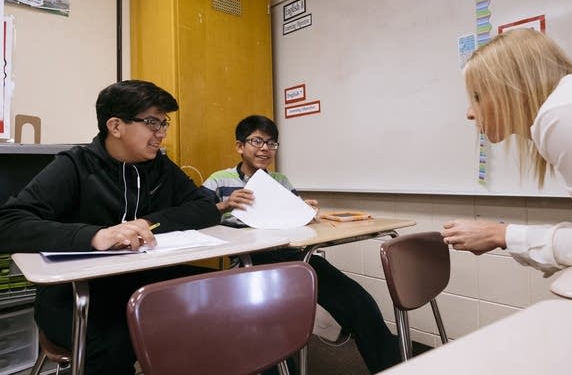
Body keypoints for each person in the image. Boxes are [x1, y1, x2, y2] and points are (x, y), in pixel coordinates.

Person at [0, 80, 221, 374]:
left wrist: (147, 223)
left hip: (145, 281)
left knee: (233, 296)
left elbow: (205, 208)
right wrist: (94, 235)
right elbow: (8, 223)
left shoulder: (160, 167)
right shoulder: (75, 165)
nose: (162, 133)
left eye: (164, 123)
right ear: (116, 126)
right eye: (152, 122)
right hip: (77, 291)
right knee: (112, 346)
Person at [200, 115, 401, 373]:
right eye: (257, 141)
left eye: (271, 143)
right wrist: (224, 205)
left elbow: (299, 221)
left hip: (293, 257)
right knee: (266, 326)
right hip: (250, 263)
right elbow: (196, 215)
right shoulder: (220, 179)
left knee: (359, 301)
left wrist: (306, 211)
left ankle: (392, 368)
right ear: (240, 146)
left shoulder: (280, 181)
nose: (264, 149)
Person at [441, 28, 572, 277]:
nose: (470, 113)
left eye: (477, 96)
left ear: (511, 89)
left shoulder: (562, 115)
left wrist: (501, 234)